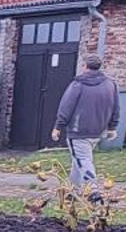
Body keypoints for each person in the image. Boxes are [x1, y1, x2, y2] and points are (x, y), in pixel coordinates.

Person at [51, 57, 120, 193]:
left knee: (83, 159)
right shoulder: (110, 84)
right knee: (78, 162)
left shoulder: (78, 84)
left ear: (85, 66)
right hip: (98, 130)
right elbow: (116, 107)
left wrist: (58, 127)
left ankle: (93, 190)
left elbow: (66, 106)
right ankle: (72, 192)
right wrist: (112, 127)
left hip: (78, 131)